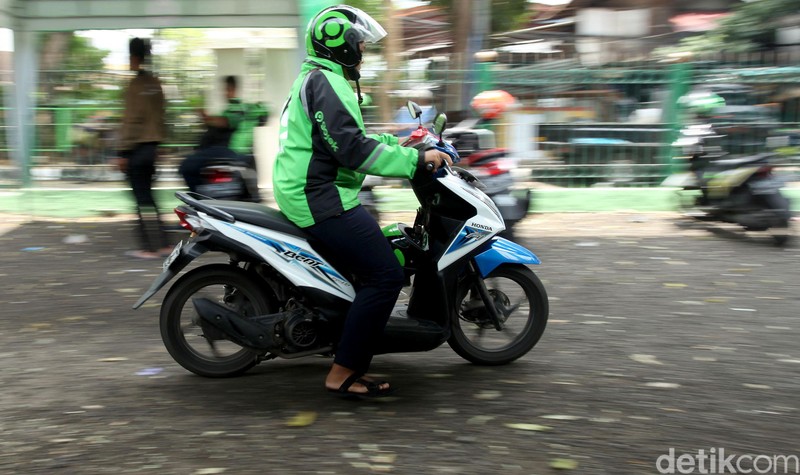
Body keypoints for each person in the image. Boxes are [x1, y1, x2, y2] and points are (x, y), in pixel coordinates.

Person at [272, 4, 452, 398]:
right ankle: (343, 371)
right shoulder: (326, 83)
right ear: (342, 45)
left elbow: (347, 138)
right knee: (385, 274)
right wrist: (414, 161)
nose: (364, 53)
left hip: (316, 189)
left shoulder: (323, 78)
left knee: (374, 254)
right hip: (318, 195)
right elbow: (351, 150)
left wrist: (398, 144)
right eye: (360, 45)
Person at [116, 37, 170, 260]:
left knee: (140, 200)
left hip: (136, 150)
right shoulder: (156, 84)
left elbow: (131, 121)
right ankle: (165, 244)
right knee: (150, 198)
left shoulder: (135, 86)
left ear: (135, 57)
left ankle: (147, 248)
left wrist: (122, 151)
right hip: (152, 149)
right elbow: (161, 117)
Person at [179, 75, 246, 193]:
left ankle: (198, 197)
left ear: (233, 89)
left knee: (186, 167)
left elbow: (224, 122)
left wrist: (205, 116)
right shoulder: (229, 108)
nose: (224, 93)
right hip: (217, 150)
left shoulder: (237, 107)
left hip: (224, 150)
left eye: (226, 89)